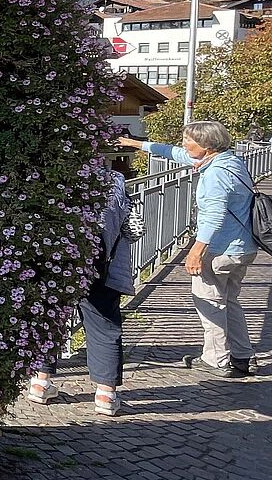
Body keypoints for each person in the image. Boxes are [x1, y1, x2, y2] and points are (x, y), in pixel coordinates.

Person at [118, 121, 256, 377]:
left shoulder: (215, 174)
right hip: (243, 247)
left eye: (188, 140)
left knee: (210, 303)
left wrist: (196, 251)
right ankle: (243, 354)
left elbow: (213, 215)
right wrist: (135, 144)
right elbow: (175, 153)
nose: (183, 144)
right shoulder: (230, 161)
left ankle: (216, 359)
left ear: (206, 146)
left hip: (220, 250)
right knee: (229, 301)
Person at [28, 162, 136, 415]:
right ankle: (106, 395)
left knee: (48, 318)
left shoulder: (52, 177)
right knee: (104, 326)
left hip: (57, 265)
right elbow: (123, 222)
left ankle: (40, 382)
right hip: (103, 265)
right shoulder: (114, 181)